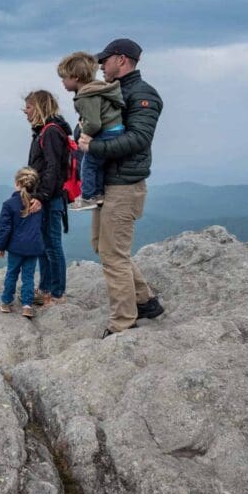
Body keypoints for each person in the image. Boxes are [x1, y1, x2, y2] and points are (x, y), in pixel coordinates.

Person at [77, 38, 164, 338]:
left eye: (105, 60)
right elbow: (92, 125)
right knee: (102, 246)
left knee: (113, 254)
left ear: (122, 60)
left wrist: (95, 147)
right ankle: (146, 301)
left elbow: (139, 139)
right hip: (109, 185)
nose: (101, 65)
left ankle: (123, 323)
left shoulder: (143, 95)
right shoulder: (115, 92)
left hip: (124, 186)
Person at [57, 51, 124, 211]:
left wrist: (84, 136)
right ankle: (98, 195)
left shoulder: (84, 97)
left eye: (64, 78)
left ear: (76, 77)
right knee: (98, 164)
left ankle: (87, 197)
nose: (63, 82)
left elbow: (94, 123)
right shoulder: (97, 89)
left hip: (107, 132)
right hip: (116, 130)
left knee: (87, 164)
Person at [23, 90, 71, 308]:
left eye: (29, 107)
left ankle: (57, 293)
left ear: (40, 107)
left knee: (52, 245)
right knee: (45, 244)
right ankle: (45, 289)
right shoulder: (44, 131)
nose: (26, 111)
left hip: (50, 199)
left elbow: (52, 169)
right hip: (45, 197)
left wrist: (41, 196)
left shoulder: (50, 132)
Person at [0, 167, 46, 319]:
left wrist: (1, 247)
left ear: (17, 183)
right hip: (33, 247)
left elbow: (4, 229)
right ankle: (27, 306)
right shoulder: (38, 205)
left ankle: (6, 302)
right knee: (28, 277)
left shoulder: (9, 204)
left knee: (12, 273)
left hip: (16, 248)